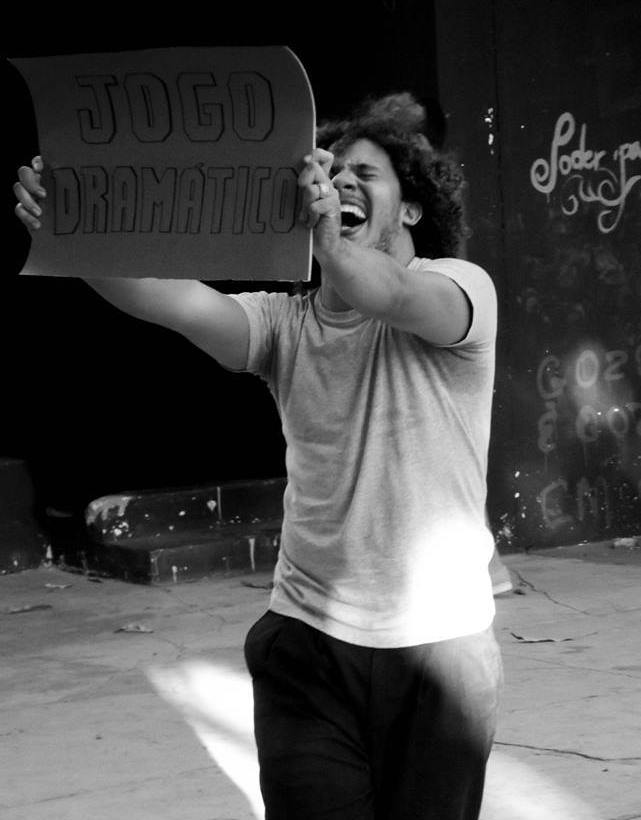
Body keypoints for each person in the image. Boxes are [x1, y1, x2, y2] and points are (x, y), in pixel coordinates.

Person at [15, 92, 502, 820]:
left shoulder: (462, 290)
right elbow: (170, 299)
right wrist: (70, 235)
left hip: (442, 654)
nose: (340, 183)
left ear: (410, 209)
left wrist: (331, 246)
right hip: (307, 645)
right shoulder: (284, 324)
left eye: (364, 175)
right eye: (330, 172)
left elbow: (395, 294)